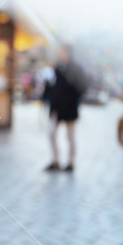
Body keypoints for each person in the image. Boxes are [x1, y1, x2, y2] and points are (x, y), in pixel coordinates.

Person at [46, 44, 87, 172]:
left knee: (70, 136)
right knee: (52, 133)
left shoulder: (75, 68)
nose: (57, 53)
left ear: (66, 52)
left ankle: (70, 162)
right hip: (57, 108)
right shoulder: (57, 67)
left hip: (69, 108)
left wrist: (70, 99)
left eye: (60, 51)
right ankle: (55, 160)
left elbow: (82, 88)